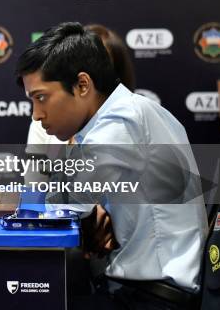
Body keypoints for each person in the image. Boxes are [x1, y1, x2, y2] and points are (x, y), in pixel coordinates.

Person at [16, 22, 208, 309]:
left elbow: (62, 202)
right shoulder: (119, 114)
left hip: (155, 298)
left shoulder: (121, 120)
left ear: (83, 85)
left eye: (41, 98)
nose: (36, 115)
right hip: (138, 288)